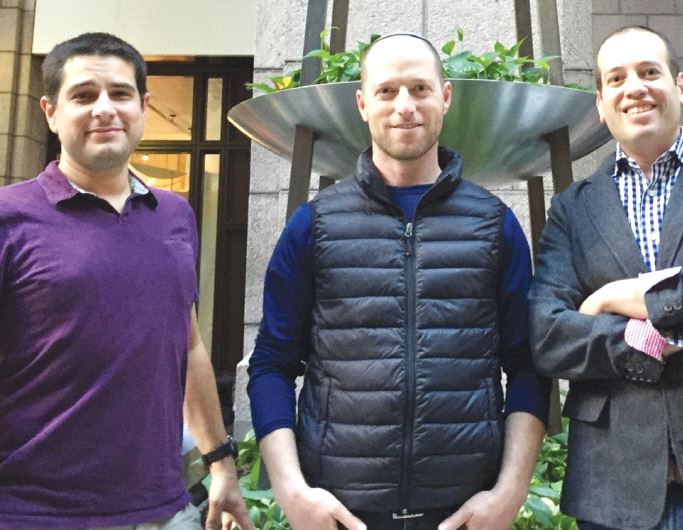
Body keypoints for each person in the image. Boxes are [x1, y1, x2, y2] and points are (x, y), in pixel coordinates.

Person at [248, 33, 551, 530]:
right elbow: (272, 364)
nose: (404, 106)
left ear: (445, 97)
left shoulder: (493, 224)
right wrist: (290, 490)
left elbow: (528, 364)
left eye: (419, 88)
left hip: (464, 512)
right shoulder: (314, 224)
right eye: (387, 91)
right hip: (342, 512)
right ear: (363, 104)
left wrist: (510, 493)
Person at [0, 33, 252, 530]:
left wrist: (221, 465)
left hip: (163, 505)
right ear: (51, 112)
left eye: (119, 93)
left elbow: (188, 345)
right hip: (34, 511)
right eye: (83, 95)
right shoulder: (10, 217)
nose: (104, 108)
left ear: (143, 106)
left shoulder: (174, 215)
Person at [529, 25, 683, 529]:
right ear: (601, 103)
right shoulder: (572, 210)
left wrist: (615, 297)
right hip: (613, 489)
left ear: (681, 87)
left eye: (649, 72)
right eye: (616, 78)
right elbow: (549, 337)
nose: (634, 87)